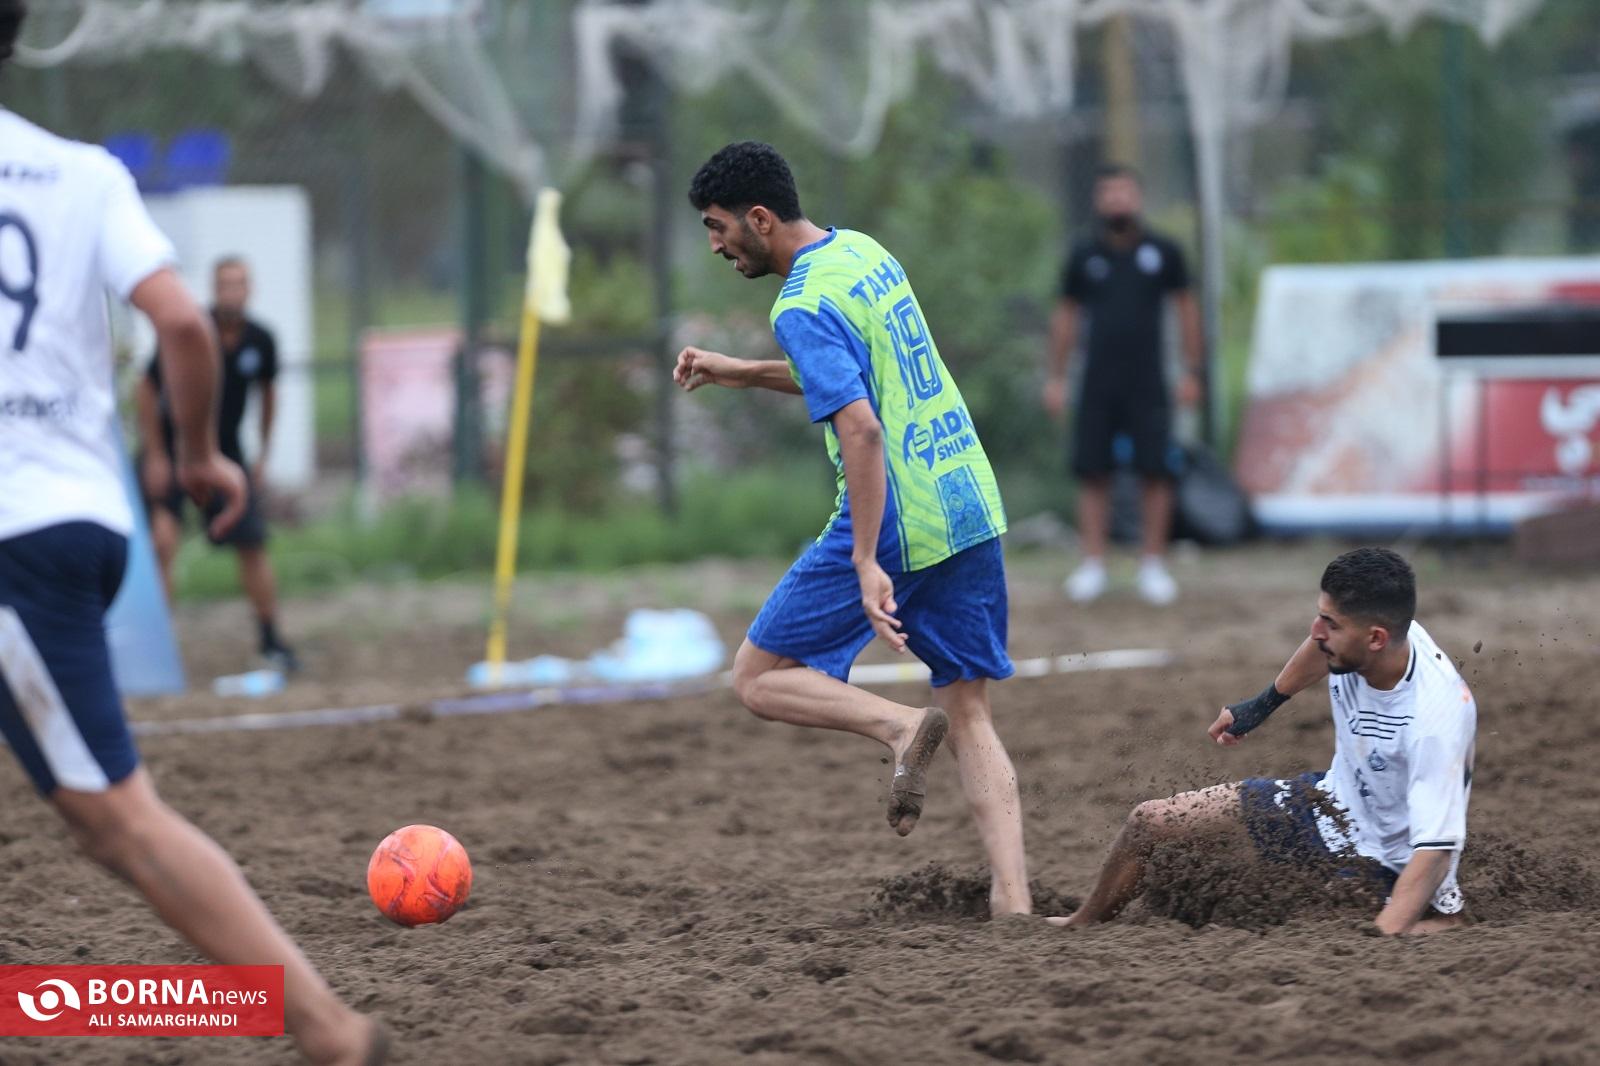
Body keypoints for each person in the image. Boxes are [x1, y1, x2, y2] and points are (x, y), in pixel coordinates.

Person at [0, 5, 382, 1060]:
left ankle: (330, 1031)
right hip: (76, 517)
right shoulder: (80, 173)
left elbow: (180, 325)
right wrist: (206, 452)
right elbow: (174, 321)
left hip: (13, 542)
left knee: (118, 819)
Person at [674, 142, 1031, 915]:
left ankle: (898, 728)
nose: (715, 246)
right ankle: (1015, 903)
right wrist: (743, 370)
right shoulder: (863, 253)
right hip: (965, 496)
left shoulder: (798, 305)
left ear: (759, 219)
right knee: (970, 709)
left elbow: (862, 428)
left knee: (758, 676)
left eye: (717, 227)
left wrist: (867, 557)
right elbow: (850, 375)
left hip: (895, 514)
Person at [1048, 547, 1476, 935]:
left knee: (1299, 925)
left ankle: (1433, 924)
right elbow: (1319, 645)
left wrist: (1381, 937)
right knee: (1150, 821)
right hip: (1327, 803)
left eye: (1330, 624)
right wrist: (1263, 704)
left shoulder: (1435, 718)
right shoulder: (1369, 634)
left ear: (1377, 639)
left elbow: (1435, 852)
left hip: (1385, 864)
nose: (1316, 631)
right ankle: (1080, 925)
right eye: (1320, 616)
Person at [1044, 164, 1204, 606]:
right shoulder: (1083, 254)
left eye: (1124, 192)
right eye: (1108, 192)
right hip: (1096, 380)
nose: (1117, 200)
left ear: (1138, 197)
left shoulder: (1164, 252)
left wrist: (1192, 371)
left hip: (1149, 380)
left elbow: (1187, 310)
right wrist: (1056, 377)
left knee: (1156, 470)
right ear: (1098, 200)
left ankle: (1152, 564)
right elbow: (1066, 316)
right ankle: (1093, 564)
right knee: (1092, 470)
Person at [136, 255, 299, 672]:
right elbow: (147, 388)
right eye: (224, 284)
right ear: (213, 288)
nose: (231, 292)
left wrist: (263, 455)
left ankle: (271, 639)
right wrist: (156, 454)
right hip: (176, 449)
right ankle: (157, 648)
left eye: (238, 283)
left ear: (250, 289)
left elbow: (269, 396)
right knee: (162, 541)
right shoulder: (192, 330)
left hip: (223, 453)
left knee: (252, 542)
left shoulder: (261, 340)